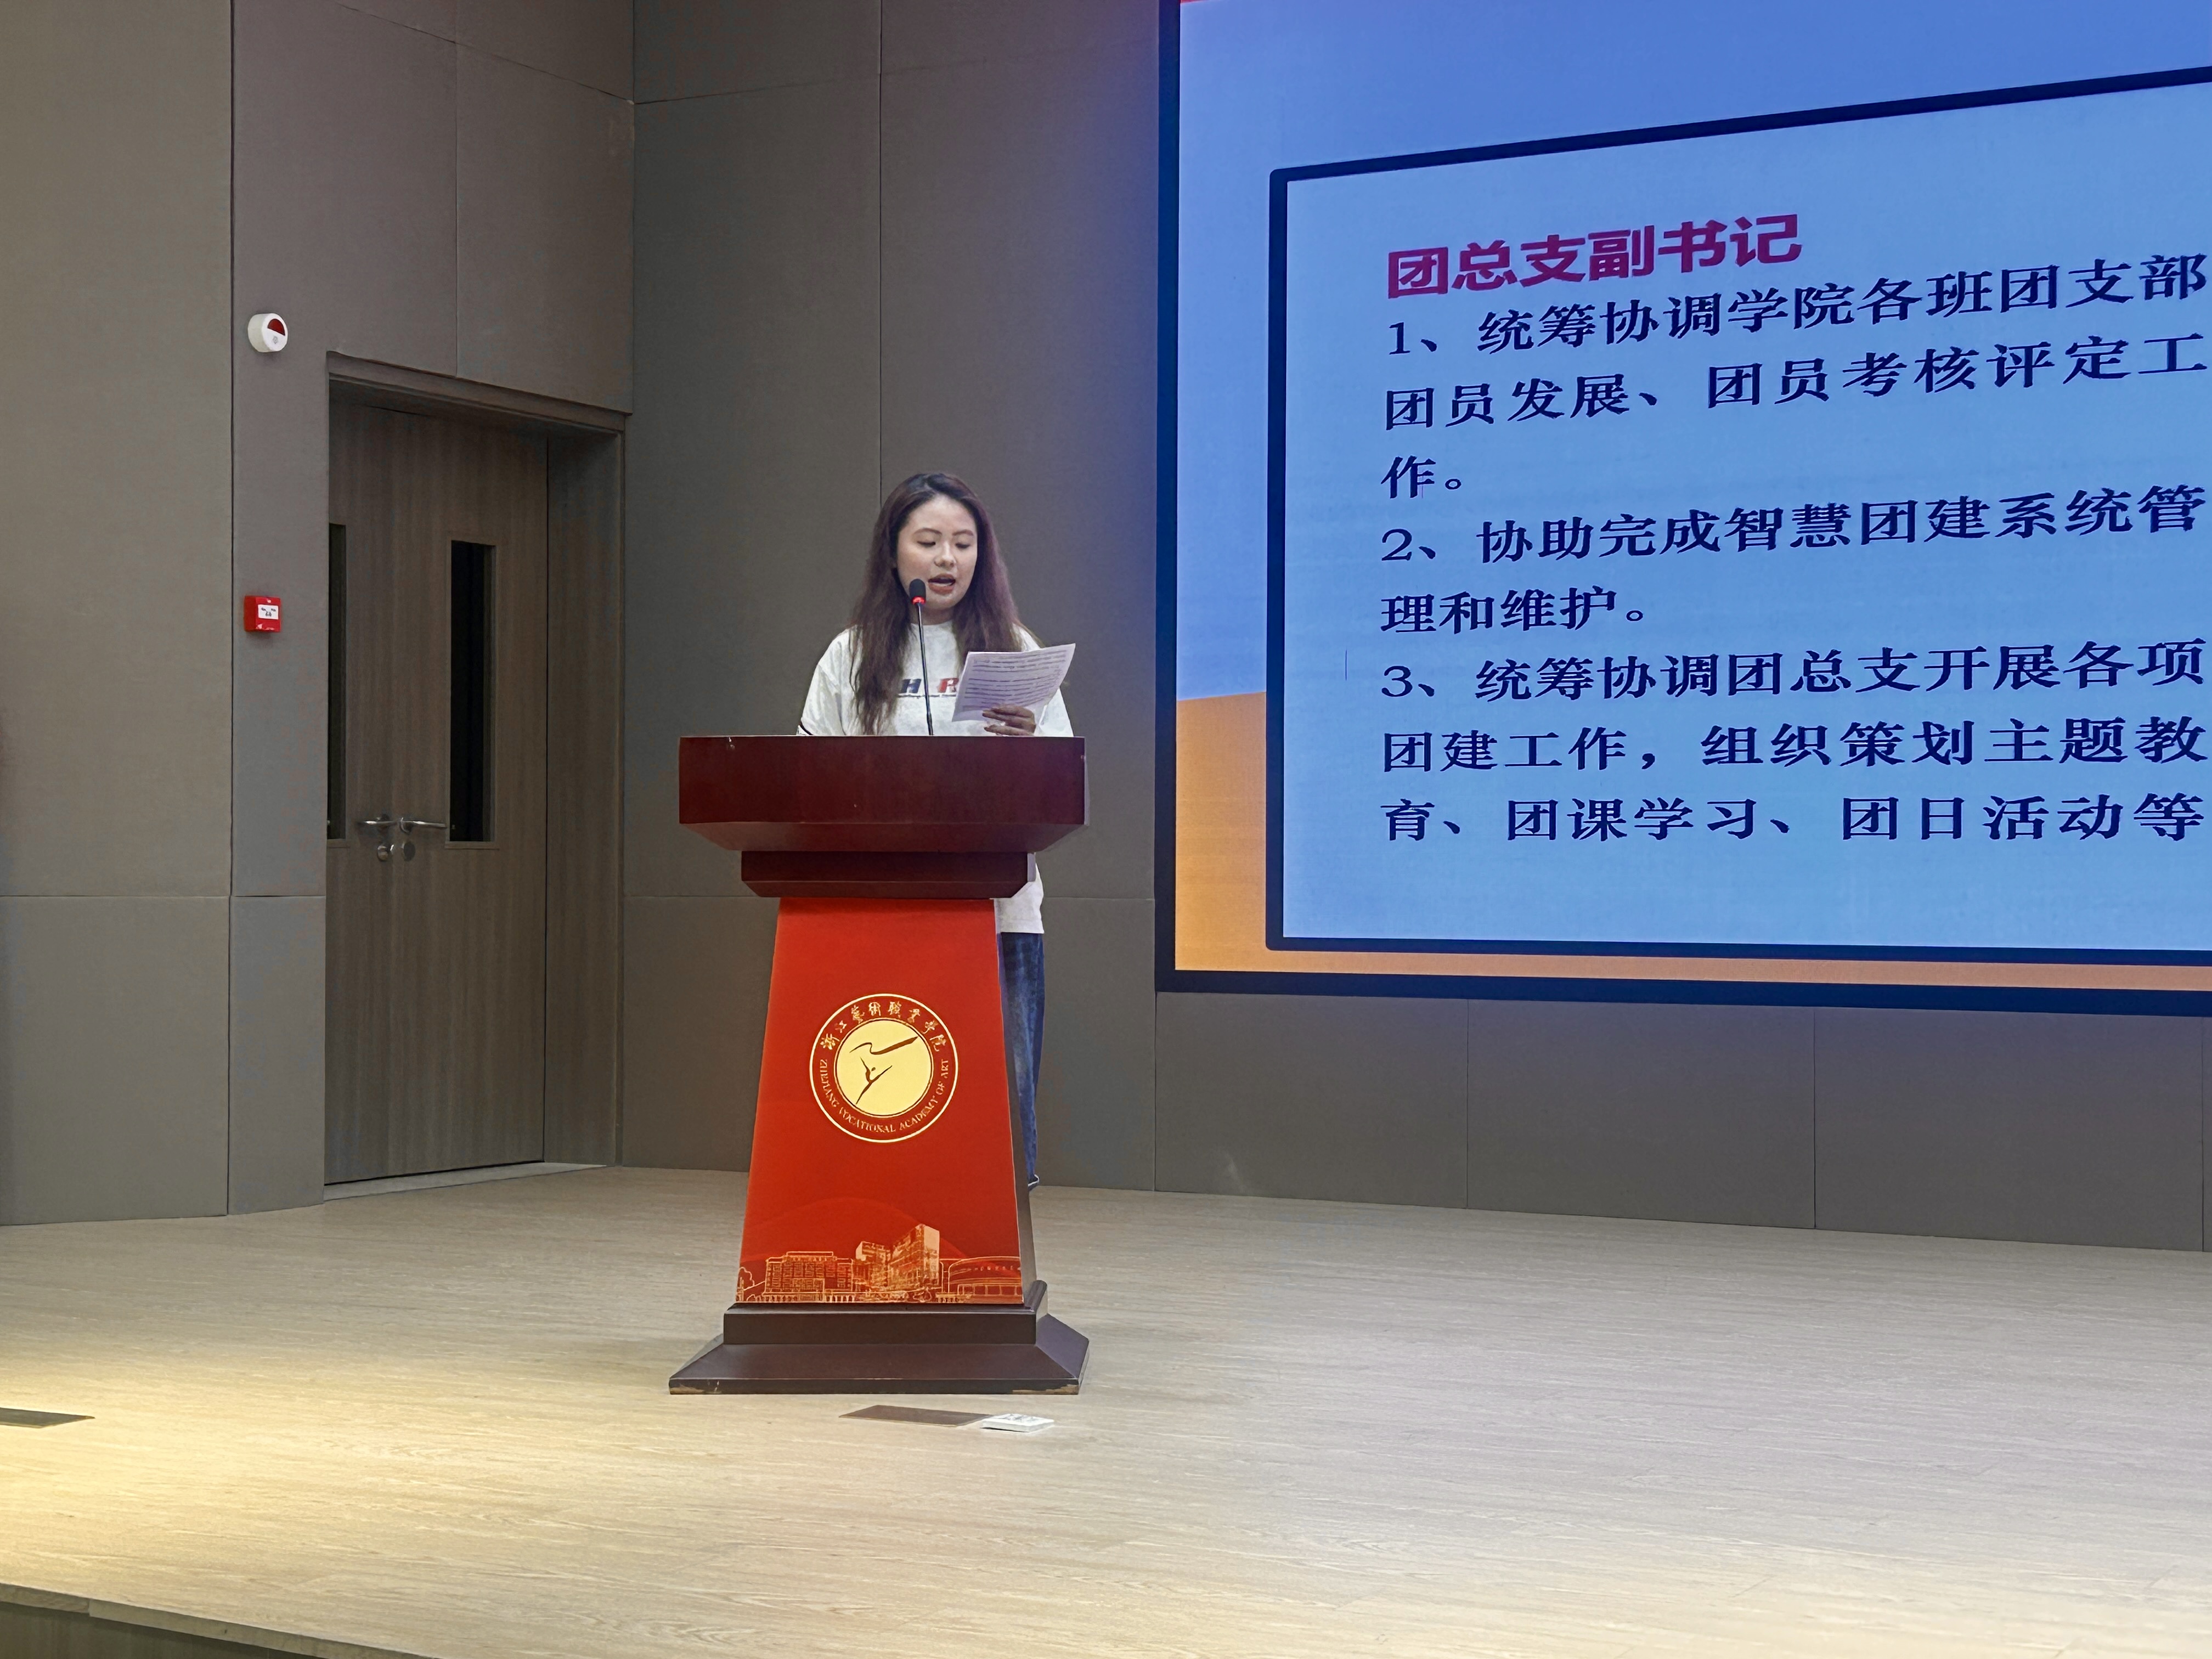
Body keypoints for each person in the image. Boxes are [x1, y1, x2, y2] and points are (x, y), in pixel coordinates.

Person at [797, 472, 1071, 1188]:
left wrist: (1030, 743)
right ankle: (881, 1223)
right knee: (889, 1098)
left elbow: (1063, 783)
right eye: (929, 542)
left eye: (964, 543)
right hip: (880, 911)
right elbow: (805, 773)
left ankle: (994, 1238)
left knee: (993, 1108)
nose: (948, 559)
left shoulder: (1013, 647)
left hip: (999, 912)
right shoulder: (851, 655)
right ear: (893, 553)